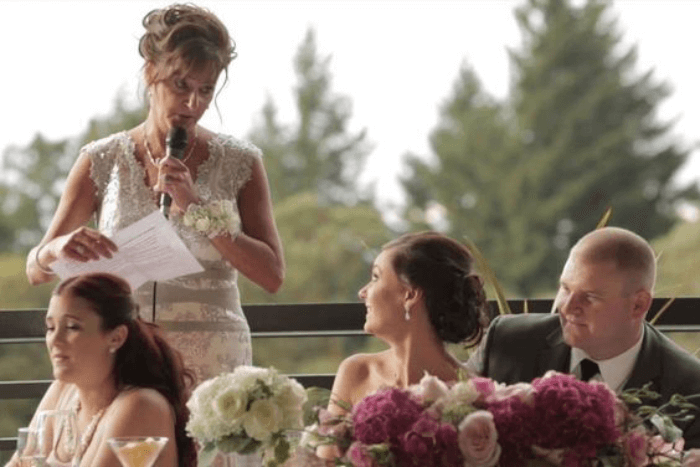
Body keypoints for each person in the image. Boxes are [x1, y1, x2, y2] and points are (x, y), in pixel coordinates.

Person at [25, 4, 283, 383]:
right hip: (127, 354)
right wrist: (55, 250)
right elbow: (34, 269)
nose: (193, 104)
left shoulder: (241, 162)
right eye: (181, 85)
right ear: (151, 73)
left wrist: (194, 207)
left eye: (205, 90)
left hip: (216, 362)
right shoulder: (100, 159)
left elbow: (272, 275)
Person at [469, 226, 700, 449]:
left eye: (589, 297)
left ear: (638, 305)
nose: (568, 307)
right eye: (566, 289)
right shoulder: (508, 342)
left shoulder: (691, 388)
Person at [313, 231, 490, 461]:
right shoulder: (357, 372)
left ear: (410, 294)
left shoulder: (469, 392)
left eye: (376, 277)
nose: (362, 292)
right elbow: (324, 463)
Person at [6, 273, 196, 467]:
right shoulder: (63, 389)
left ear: (116, 337)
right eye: (51, 327)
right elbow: (18, 463)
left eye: (72, 327)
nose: (55, 340)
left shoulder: (140, 405)